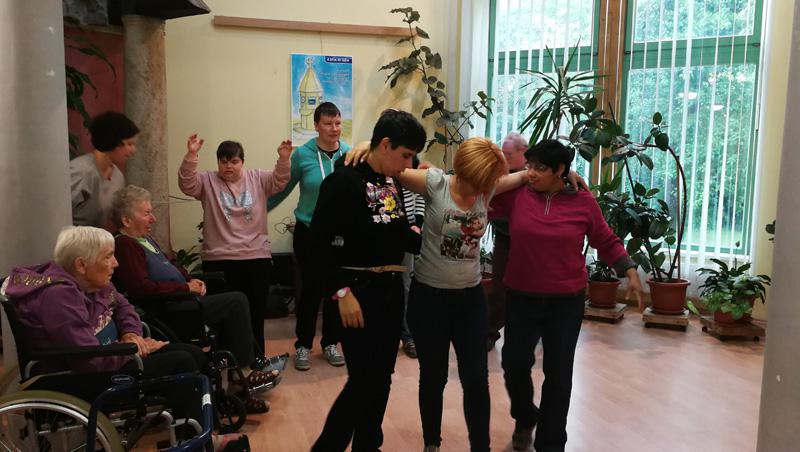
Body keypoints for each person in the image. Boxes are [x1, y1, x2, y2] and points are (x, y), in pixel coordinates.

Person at [489, 139, 643, 452]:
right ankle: (525, 417)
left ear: (560, 170)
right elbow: (483, 193)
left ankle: (551, 443)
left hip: (565, 302)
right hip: (521, 297)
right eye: (529, 166)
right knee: (514, 365)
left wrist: (628, 269)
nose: (532, 173)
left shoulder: (583, 202)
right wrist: (520, 176)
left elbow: (605, 239)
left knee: (558, 376)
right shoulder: (517, 195)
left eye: (540, 168)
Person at [310, 110, 426, 452]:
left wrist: (418, 232)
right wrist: (341, 292)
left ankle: (368, 445)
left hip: (390, 290)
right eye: (405, 155)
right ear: (385, 144)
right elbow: (316, 245)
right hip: (356, 291)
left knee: (382, 377)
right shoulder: (343, 181)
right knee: (363, 380)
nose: (408, 164)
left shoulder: (390, 181)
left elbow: (394, 231)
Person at [110, 185, 281, 414]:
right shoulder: (125, 244)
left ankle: (236, 382)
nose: (153, 218)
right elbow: (140, 288)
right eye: (147, 213)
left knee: (233, 306)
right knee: (236, 301)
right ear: (126, 219)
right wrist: (184, 287)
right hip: (168, 311)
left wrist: (192, 280)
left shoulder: (145, 240)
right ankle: (244, 374)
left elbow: (172, 266)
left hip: (182, 302)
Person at [178, 135, 292, 356]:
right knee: (223, 318)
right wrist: (192, 154)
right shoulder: (207, 181)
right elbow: (186, 184)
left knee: (255, 313)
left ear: (242, 162)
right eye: (223, 161)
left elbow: (280, 181)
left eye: (234, 161)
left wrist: (284, 158)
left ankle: (256, 359)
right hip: (219, 259)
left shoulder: (258, 178)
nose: (228, 166)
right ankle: (227, 361)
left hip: (255, 257)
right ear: (218, 162)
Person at [268, 102, 348, 371]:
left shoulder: (349, 154)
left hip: (340, 234)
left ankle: (331, 343)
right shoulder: (302, 155)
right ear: (316, 126)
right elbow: (282, 188)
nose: (334, 129)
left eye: (337, 123)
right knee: (311, 290)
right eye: (328, 123)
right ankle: (303, 345)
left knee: (337, 290)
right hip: (309, 231)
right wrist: (258, 211)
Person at [487, 132, 529, 351]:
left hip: (530, 242)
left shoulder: (536, 175)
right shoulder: (499, 174)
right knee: (499, 289)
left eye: (509, 154)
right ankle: (489, 333)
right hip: (504, 238)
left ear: (524, 152)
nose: (505, 158)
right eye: (503, 153)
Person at [70, 111, 139, 231]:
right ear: (112, 141)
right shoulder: (80, 172)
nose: (133, 151)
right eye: (129, 144)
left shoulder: (117, 176)